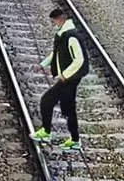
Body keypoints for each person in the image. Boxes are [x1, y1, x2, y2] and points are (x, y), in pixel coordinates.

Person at [30, 9, 89, 150]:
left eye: (53, 21)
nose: (53, 24)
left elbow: (79, 60)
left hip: (70, 79)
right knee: (68, 109)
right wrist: (43, 64)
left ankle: (46, 132)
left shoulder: (71, 37)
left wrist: (65, 75)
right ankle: (75, 141)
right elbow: (56, 53)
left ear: (60, 19)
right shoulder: (64, 34)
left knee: (46, 100)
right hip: (69, 79)